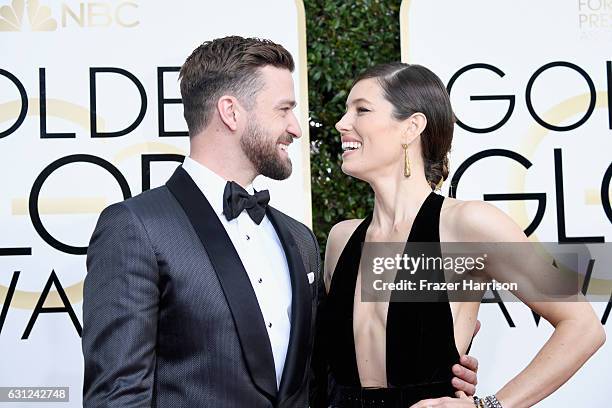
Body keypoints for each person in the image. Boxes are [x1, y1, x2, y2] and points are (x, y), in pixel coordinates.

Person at [82, 37, 479, 408]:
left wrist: (440, 370)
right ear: (231, 112)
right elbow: (117, 396)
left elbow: (325, 375)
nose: (295, 127)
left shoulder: (298, 239)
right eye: (284, 109)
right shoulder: (136, 228)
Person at [322, 62, 606, 408]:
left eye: (361, 110)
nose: (342, 123)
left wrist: (488, 406)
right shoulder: (342, 240)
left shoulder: (466, 226)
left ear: (411, 127)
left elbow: (583, 328)